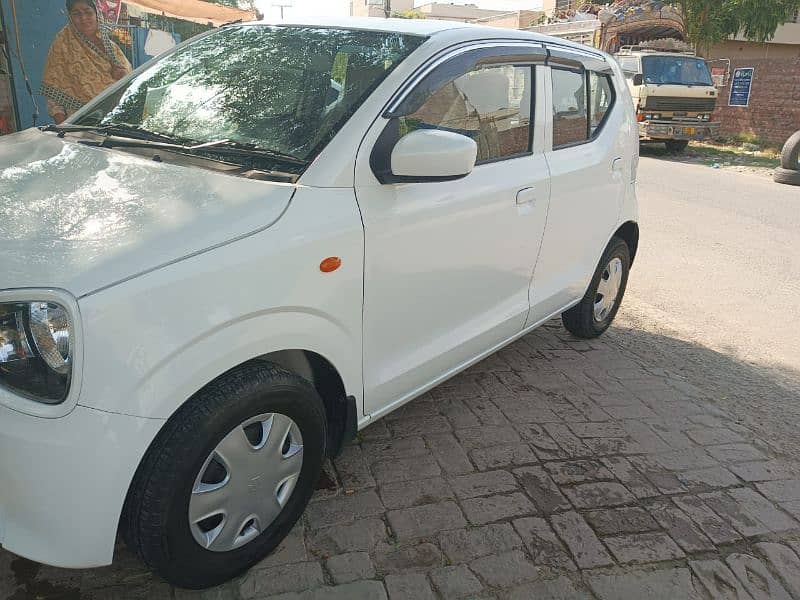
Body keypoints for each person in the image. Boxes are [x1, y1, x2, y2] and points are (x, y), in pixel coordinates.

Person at [40, 0, 132, 124]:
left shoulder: (112, 48)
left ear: (97, 14)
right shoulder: (62, 45)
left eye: (88, 12)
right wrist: (63, 129)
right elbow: (53, 94)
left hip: (118, 121)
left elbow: (130, 82)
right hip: (81, 124)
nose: (83, 18)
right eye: (76, 14)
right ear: (70, 17)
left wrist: (123, 75)